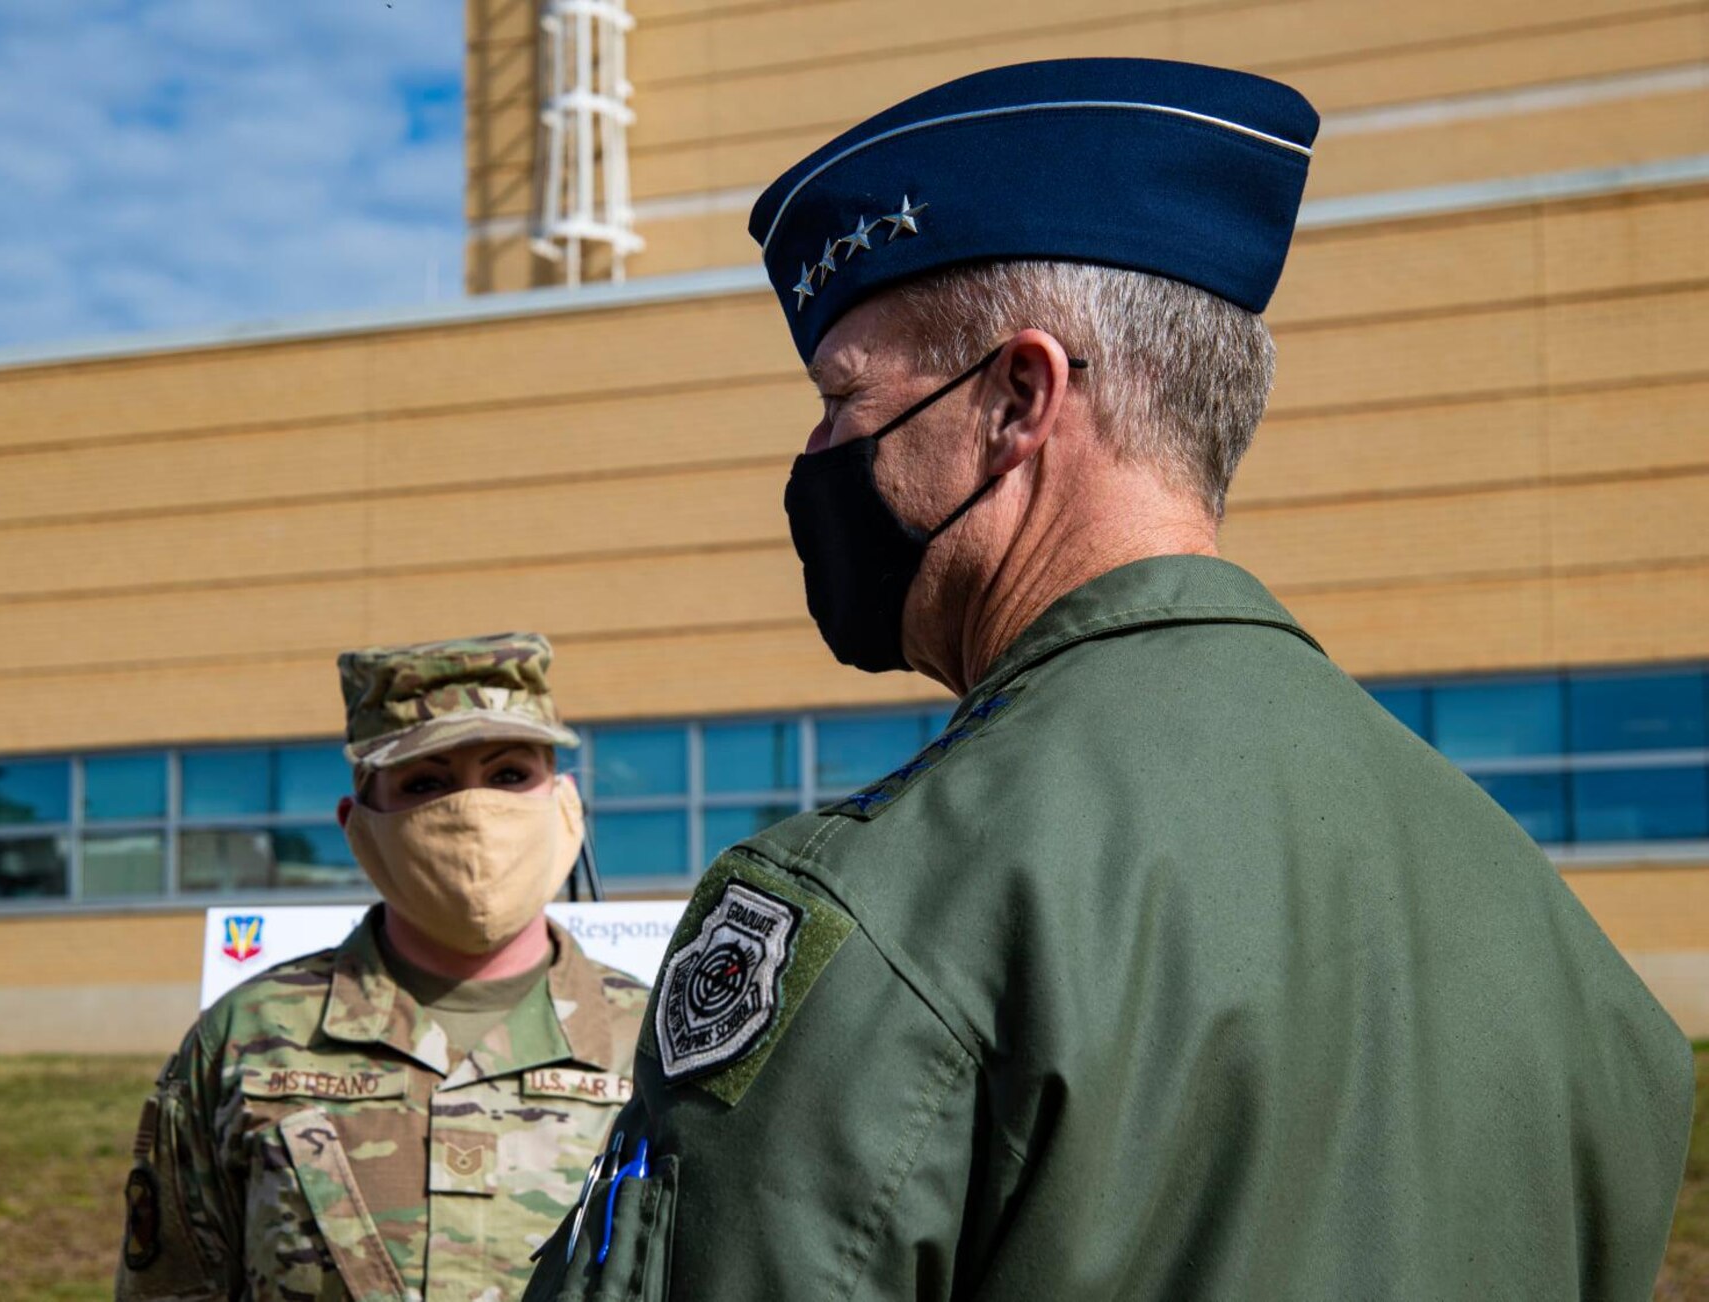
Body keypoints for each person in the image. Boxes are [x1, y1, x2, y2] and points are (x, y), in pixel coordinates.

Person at [523, 58, 1694, 1300]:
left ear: (1016, 401)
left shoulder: (888, 903)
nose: (817, 457)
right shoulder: (1562, 953)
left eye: (841, 400)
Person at [116, 632, 649, 1302]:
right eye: (425, 783)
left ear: (566, 802)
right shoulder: (247, 1038)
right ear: (357, 823)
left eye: (511, 774)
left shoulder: (657, 1045)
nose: (474, 814)